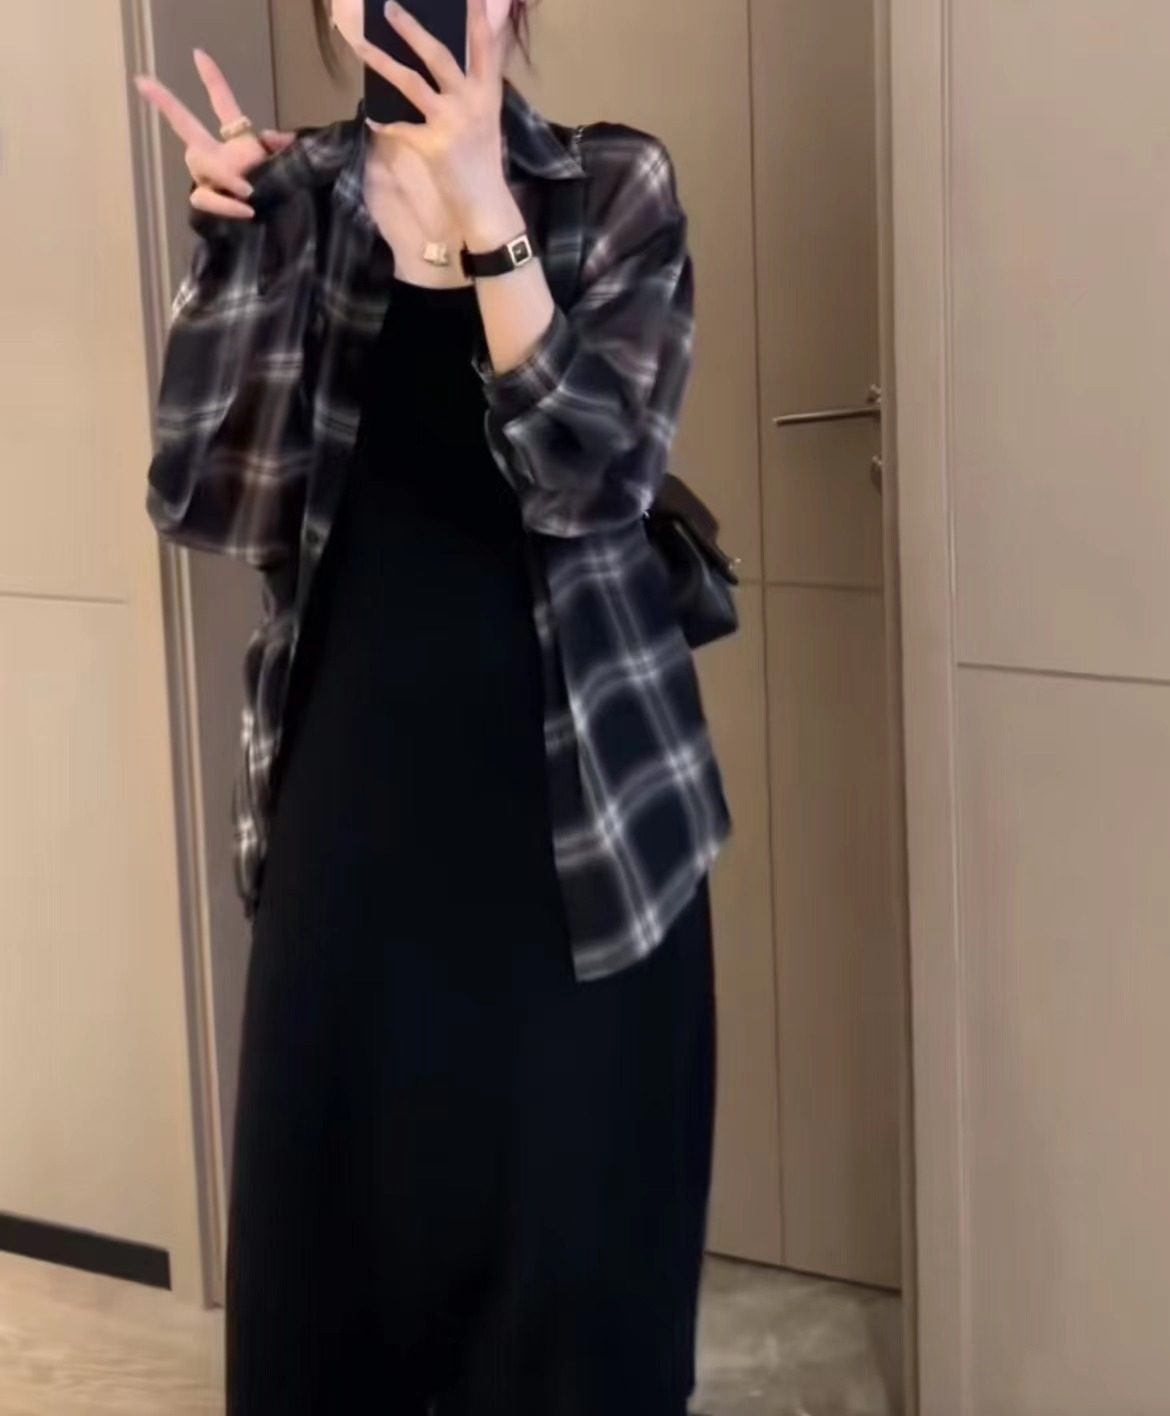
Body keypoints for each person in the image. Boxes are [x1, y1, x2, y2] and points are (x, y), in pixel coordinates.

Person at [137, 0, 729, 1410]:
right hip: (350, 805)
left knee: (573, 1277)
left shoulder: (613, 185)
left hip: (585, 821)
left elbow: (595, 484)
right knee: (333, 1272)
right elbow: (205, 496)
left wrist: (485, 215)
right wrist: (233, 257)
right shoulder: (286, 196)